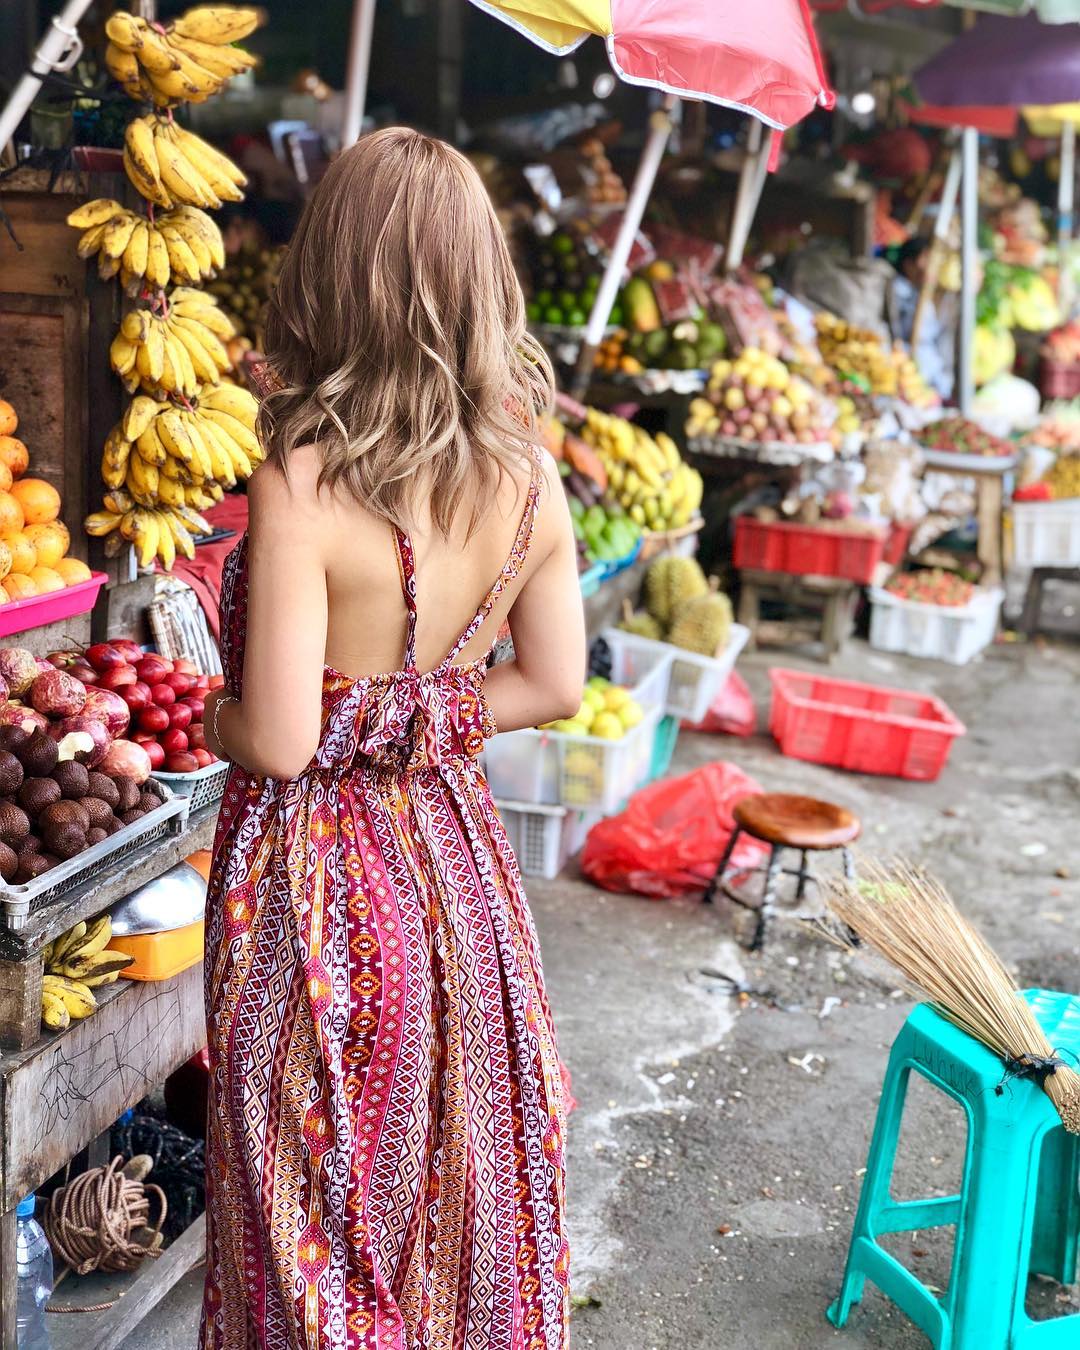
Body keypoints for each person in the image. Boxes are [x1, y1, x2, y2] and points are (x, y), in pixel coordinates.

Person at [199, 127, 583, 1349]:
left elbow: (274, 738)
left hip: (314, 908)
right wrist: (413, 716)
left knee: (305, 1242)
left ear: (328, 275)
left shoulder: (302, 480)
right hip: (463, 890)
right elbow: (557, 683)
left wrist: (197, 706)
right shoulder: (531, 474)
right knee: (453, 1212)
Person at [887, 236, 955, 400]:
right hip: (908, 376)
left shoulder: (921, 295)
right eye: (926, 259)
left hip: (927, 381)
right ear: (909, 264)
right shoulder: (897, 290)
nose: (932, 267)